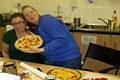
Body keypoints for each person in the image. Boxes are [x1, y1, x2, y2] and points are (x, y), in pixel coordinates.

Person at [21, 5, 81, 69]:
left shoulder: (47, 21)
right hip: (53, 58)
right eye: (26, 15)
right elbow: (46, 41)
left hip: (67, 58)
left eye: (31, 12)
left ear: (36, 12)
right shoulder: (37, 26)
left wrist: (41, 50)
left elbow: (61, 39)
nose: (30, 15)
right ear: (25, 19)